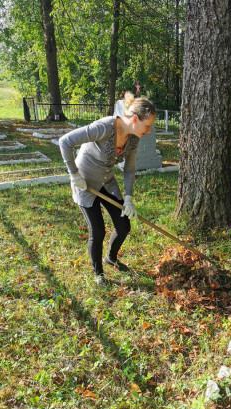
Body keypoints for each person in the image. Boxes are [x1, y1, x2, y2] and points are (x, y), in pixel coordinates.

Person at [59, 92, 156, 286]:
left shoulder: (134, 138)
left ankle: (111, 258)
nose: (149, 130)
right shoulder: (104, 127)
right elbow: (65, 142)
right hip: (84, 183)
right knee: (98, 230)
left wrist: (128, 198)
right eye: (147, 126)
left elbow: (128, 168)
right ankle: (98, 274)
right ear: (135, 119)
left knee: (123, 226)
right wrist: (74, 174)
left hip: (106, 182)